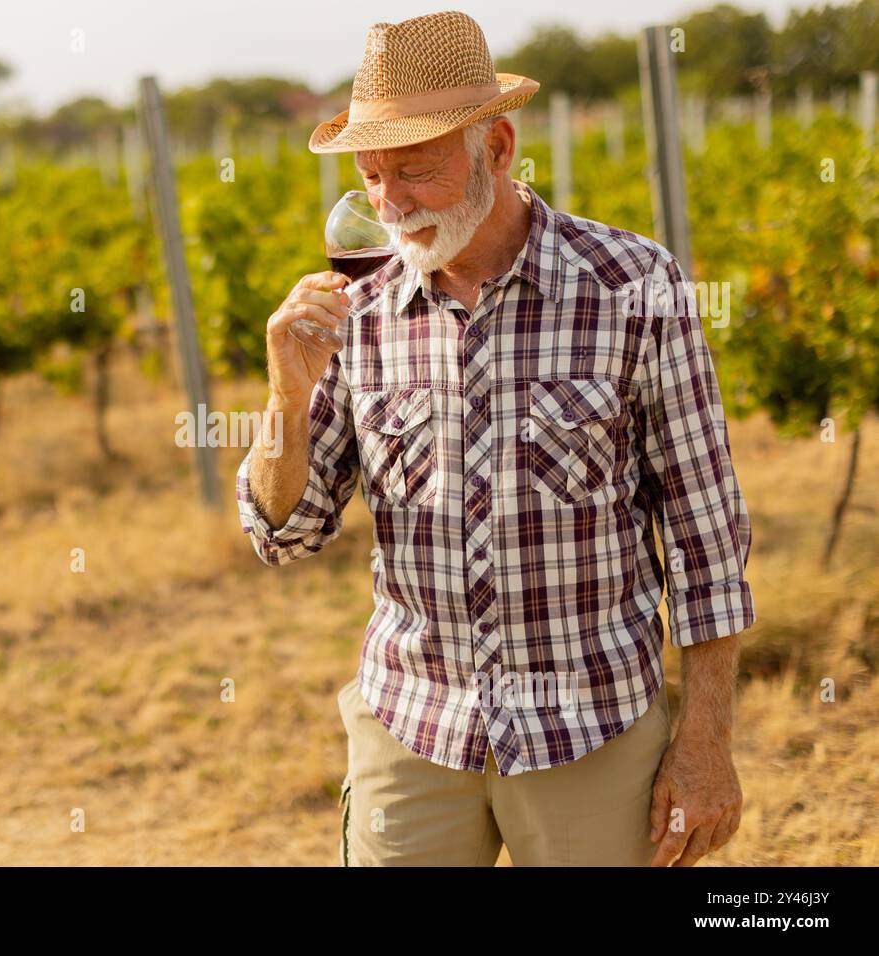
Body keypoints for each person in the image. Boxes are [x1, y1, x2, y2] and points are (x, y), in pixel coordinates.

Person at [235, 10, 755, 866]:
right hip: (414, 723)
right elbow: (282, 534)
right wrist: (286, 400)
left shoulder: (633, 285)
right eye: (371, 178)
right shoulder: (352, 315)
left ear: (500, 147)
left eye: (416, 171)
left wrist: (705, 745)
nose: (390, 203)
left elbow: (705, 535)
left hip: (591, 721)